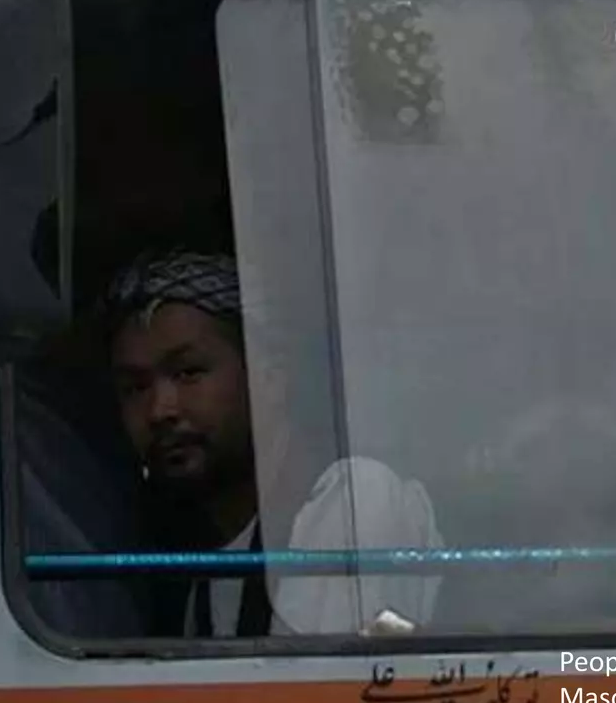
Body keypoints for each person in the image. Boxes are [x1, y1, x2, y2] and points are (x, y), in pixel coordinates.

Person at [103, 249, 444, 637]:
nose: (160, 409)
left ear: (269, 376)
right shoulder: (197, 564)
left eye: (188, 372)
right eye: (135, 387)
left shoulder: (354, 503)